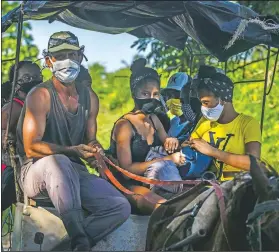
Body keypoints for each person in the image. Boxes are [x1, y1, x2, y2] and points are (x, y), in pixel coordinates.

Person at [16, 31, 131, 251]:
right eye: (60, 56)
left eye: (72, 54)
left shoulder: (90, 97)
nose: (67, 60)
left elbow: (91, 140)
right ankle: (80, 238)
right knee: (58, 161)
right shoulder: (39, 95)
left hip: (74, 172)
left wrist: (95, 150)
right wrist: (72, 151)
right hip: (36, 172)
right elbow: (31, 148)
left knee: (119, 207)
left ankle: (70, 247)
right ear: (49, 60)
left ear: (81, 56)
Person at [109, 58, 186, 215]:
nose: (151, 98)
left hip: (153, 181)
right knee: (164, 208)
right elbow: (126, 170)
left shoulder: (154, 119)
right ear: (134, 94)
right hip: (128, 185)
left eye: (155, 94)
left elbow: (167, 144)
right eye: (145, 93)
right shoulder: (124, 126)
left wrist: (171, 141)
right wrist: (167, 160)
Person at [188, 65, 261, 181]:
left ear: (223, 99)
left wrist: (213, 152)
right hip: (206, 185)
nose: (203, 108)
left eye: (206, 102)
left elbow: (254, 163)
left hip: (237, 186)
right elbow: (189, 144)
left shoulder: (248, 123)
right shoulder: (205, 122)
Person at [1, 61, 43, 212]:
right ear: (15, 84)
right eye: (26, 78)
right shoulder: (15, 107)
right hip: (11, 171)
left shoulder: (36, 104)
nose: (32, 81)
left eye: (37, 76)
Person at [161, 72, 193, 138]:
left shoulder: (197, 124)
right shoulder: (173, 122)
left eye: (177, 94)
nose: (172, 99)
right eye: (169, 95)